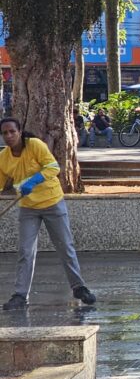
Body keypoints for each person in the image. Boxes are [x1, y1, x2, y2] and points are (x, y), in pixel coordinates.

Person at [0, 118, 96, 310]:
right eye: (5, 133)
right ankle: (20, 295)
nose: (9, 136)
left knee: (65, 246)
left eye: (12, 131)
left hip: (52, 202)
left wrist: (34, 180)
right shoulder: (3, 157)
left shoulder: (34, 145)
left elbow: (53, 167)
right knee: (25, 251)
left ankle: (79, 287)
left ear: (20, 132)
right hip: (28, 208)